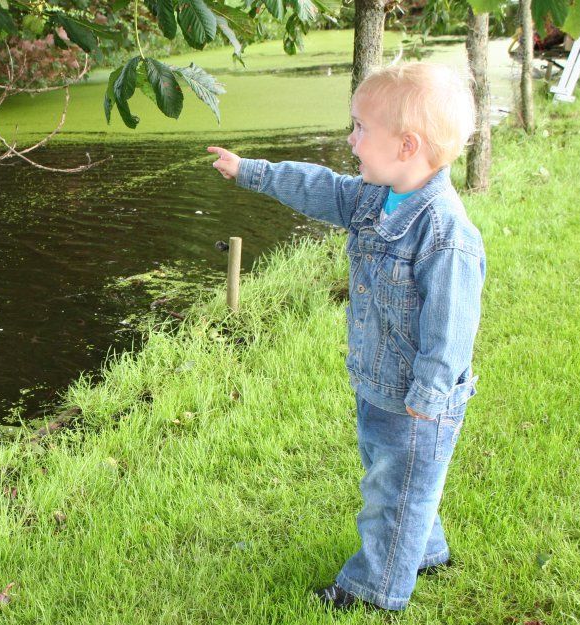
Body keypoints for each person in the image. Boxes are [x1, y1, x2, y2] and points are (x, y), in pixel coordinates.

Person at [207, 62, 486, 611]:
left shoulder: (447, 236)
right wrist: (250, 172)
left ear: (407, 146)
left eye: (360, 128)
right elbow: (316, 187)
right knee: (395, 480)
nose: (351, 140)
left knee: (391, 493)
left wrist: (427, 403)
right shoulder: (372, 197)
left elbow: (449, 336)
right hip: (377, 383)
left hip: (416, 404)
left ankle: (375, 590)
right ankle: (425, 548)